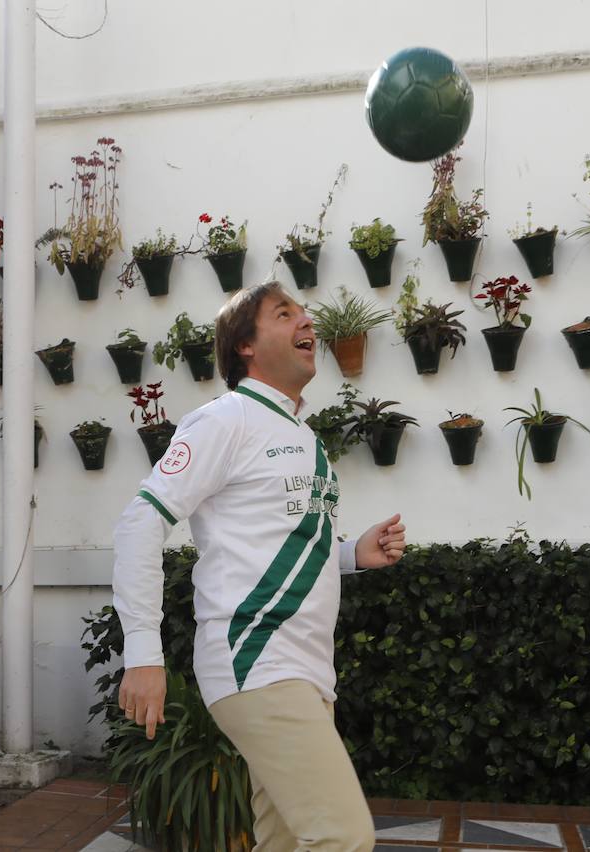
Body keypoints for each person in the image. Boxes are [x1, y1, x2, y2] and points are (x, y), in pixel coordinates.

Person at [112, 281, 406, 851]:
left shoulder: (304, 437)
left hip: (307, 673)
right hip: (256, 663)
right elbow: (139, 524)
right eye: (284, 313)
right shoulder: (225, 421)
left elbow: (275, 545)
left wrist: (352, 554)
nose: (307, 322)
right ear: (244, 345)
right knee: (342, 836)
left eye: (304, 312)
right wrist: (143, 653)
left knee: (288, 840)